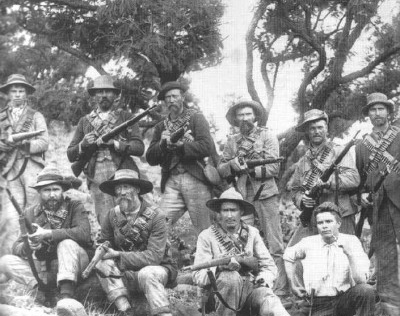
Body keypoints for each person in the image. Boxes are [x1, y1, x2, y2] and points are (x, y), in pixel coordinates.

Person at [192, 188, 303, 316]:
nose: (229, 215)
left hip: (248, 290)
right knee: (230, 278)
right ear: (218, 213)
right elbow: (198, 275)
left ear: (241, 212)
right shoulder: (207, 236)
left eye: (233, 210)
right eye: (225, 210)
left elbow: (269, 266)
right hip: (218, 294)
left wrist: (263, 280)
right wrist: (220, 268)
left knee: (266, 294)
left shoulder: (252, 233)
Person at [217, 100, 288, 298]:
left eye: (248, 114)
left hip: (265, 193)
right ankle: (244, 287)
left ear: (255, 116)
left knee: (274, 244)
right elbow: (221, 170)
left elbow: (274, 167)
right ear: (235, 119)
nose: (245, 118)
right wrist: (233, 164)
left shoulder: (267, 136)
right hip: (241, 197)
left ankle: (281, 289)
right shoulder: (232, 141)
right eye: (240, 115)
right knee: (240, 242)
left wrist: (249, 169)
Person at [93, 169, 177, 316]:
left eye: (126, 187)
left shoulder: (156, 216)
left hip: (157, 269)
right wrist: (102, 249)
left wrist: (117, 255)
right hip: (126, 272)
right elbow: (104, 241)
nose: (122, 192)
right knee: (100, 264)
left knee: (148, 273)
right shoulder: (112, 215)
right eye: (118, 189)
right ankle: (126, 313)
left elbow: (154, 257)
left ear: (137, 190)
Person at [284, 202, 375, 316]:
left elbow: (360, 280)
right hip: (320, 304)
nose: (324, 226)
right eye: (320, 223)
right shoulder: (309, 242)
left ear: (338, 223)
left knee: (366, 291)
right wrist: (293, 285)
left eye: (329, 221)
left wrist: (349, 254)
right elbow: (288, 256)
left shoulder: (351, 241)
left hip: (344, 299)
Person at [0, 166, 92, 305]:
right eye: (46, 190)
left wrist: (48, 234)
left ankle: (66, 297)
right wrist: (28, 246)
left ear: (62, 191)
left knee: (66, 243)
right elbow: (16, 247)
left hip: (75, 264)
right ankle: (41, 290)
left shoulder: (75, 206)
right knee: (6, 261)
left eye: (55, 189)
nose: (52, 194)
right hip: (46, 269)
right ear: (39, 192)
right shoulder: (30, 213)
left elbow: (84, 234)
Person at [67, 75, 144, 224]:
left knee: (132, 217)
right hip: (96, 177)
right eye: (99, 92)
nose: (103, 95)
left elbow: (139, 147)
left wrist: (115, 144)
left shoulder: (125, 117)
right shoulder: (85, 121)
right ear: (94, 96)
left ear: (115, 95)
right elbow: (71, 154)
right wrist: (82, 144)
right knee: (105, 220)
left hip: (124, 173)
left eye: (108, 91)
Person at [355, 92, 400, 316]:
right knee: (386, 267)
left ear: (388, 112)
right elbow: (361, 179)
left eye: (381, 108)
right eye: (372, 110)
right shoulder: (362, 145)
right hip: (379, 210)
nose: (377, 113)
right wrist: (362, 194)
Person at [146, 81, 214, 235]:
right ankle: (163, 258)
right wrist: (162, 145)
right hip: (172, 181)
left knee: (205, 231)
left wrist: (182, 147)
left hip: (195, 178)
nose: (171, 100)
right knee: (158, 225)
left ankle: (209, 258)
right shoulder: (160, 126)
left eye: (174, 96)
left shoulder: (196, 118)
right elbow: (150, 158)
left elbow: (206, 147)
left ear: (182, 97)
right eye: (167, 98)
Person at [289, 109, 360, 246]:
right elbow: (295, 189)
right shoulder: (304, 160)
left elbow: (353, 179)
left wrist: (329, 182)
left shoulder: (339, 151)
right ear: (307, 132)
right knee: (299, 257)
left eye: (320, 127)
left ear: (326, 128)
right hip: (314, 217)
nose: (316, 131)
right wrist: (302, 200)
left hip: (340, 214)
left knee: (343, 258)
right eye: (312, 128)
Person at [0, 74, 49, 253]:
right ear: (8, 94)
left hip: (31, 166)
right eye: (14, 91)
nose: (18, 94)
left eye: (21, 91)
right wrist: (5, 144)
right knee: (14, 212)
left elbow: (44, 142)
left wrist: (25, 146)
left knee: (34, 209)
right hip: (10, 169)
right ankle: (18, 251)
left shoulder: (36, 116)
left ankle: (37, 250)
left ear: (27, 93)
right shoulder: (1, 117)